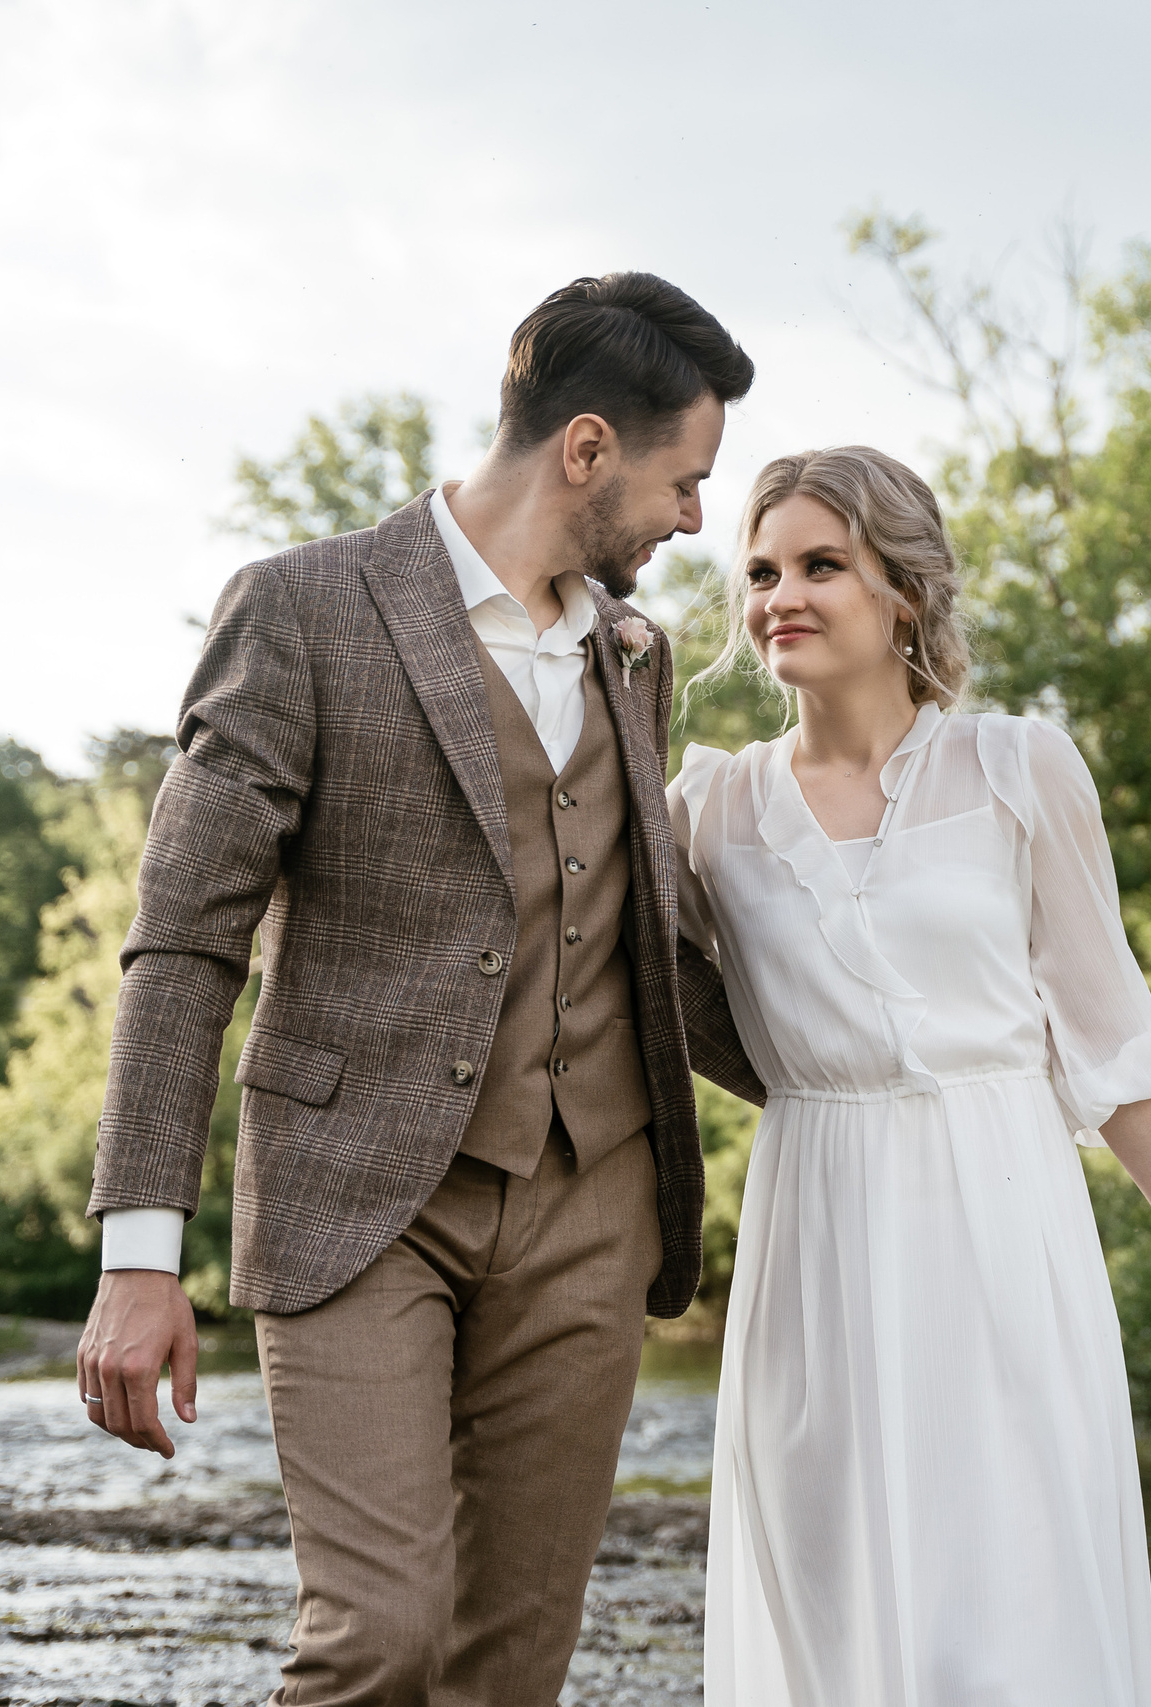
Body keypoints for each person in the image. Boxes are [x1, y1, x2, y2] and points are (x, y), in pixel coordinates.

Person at [75, 271, 768, 1706]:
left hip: (595, 1204)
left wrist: (931, 1075)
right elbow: (183, 938)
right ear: (587, 448)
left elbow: (636, 936)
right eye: (686, 479)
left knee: (509, 1667)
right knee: (378, 1636)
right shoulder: (303, 608)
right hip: (358, 1201)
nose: (697, 517)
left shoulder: (630, 655)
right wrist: (140, 1252)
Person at [670, 446, 1151, 1705]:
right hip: (814, 1233)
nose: (779, 594)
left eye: (820, 565)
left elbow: (1114, 1052)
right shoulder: (708, 810)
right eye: (761, 571)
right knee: (830, 1606)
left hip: (1001, 1218)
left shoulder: (1019, 769)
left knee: (1006, 1603)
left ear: (903, 590)